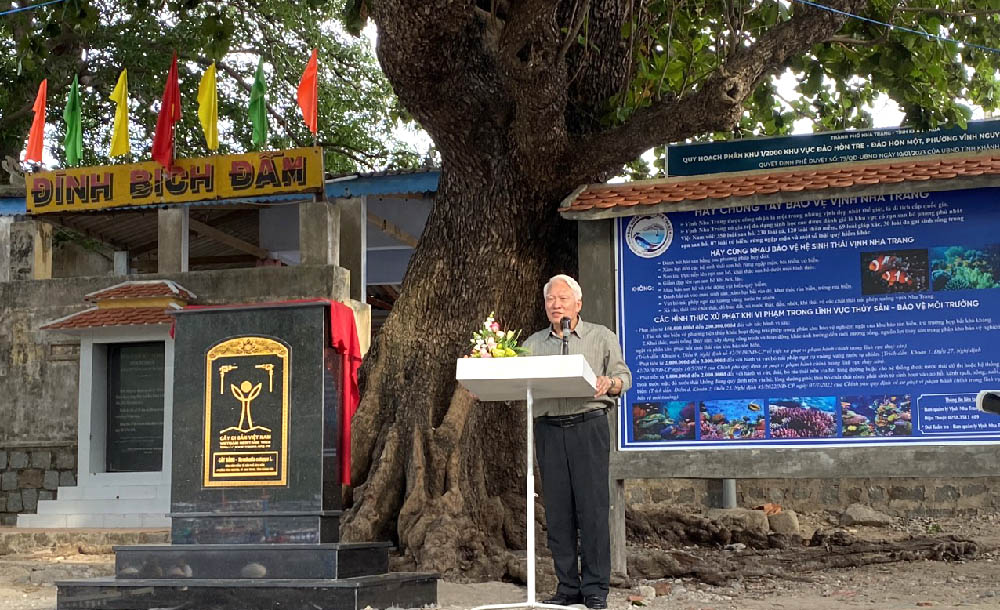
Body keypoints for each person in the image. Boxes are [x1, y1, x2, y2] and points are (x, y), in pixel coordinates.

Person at [524, 274, 632, 610]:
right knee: (558, 512)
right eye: (550, 300)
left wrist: (608, 382)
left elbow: (624, 377)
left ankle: (596, 588)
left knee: (593, 510)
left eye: (562, 299)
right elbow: (514, 377)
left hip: (589, 426)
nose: (556, 305)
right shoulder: (532, 344)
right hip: (549, 430)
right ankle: (567, 587)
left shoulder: (601, 337)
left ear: (578, 304)